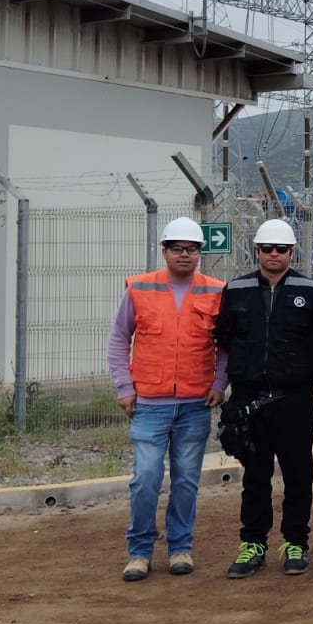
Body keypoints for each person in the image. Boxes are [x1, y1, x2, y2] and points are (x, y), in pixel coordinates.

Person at [108, 217, 228, 581]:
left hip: (195, 404)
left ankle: (180, 547)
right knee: (145, 477)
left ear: (200, 253)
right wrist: (124, 388)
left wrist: (219, 383)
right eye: (177, 249)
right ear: (164, 251)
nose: (184, 255)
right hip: (149, 404)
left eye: (191, 249)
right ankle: (139, 551)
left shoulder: (216, 292)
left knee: (186, 480)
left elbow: (225, 347)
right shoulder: (140, 288)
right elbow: (118, 340)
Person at [215, 219, 313, 579]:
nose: (274, 255)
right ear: (256, 251)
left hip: (293, 400)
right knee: (255, 477)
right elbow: (223, 343)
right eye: (267, 249)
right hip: (248, 401)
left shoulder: (311, 291)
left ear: (292, 252)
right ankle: (253, 545)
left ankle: (296, 542)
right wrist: (222, 388)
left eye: (281, 249)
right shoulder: (235, 291)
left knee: (298, 474)